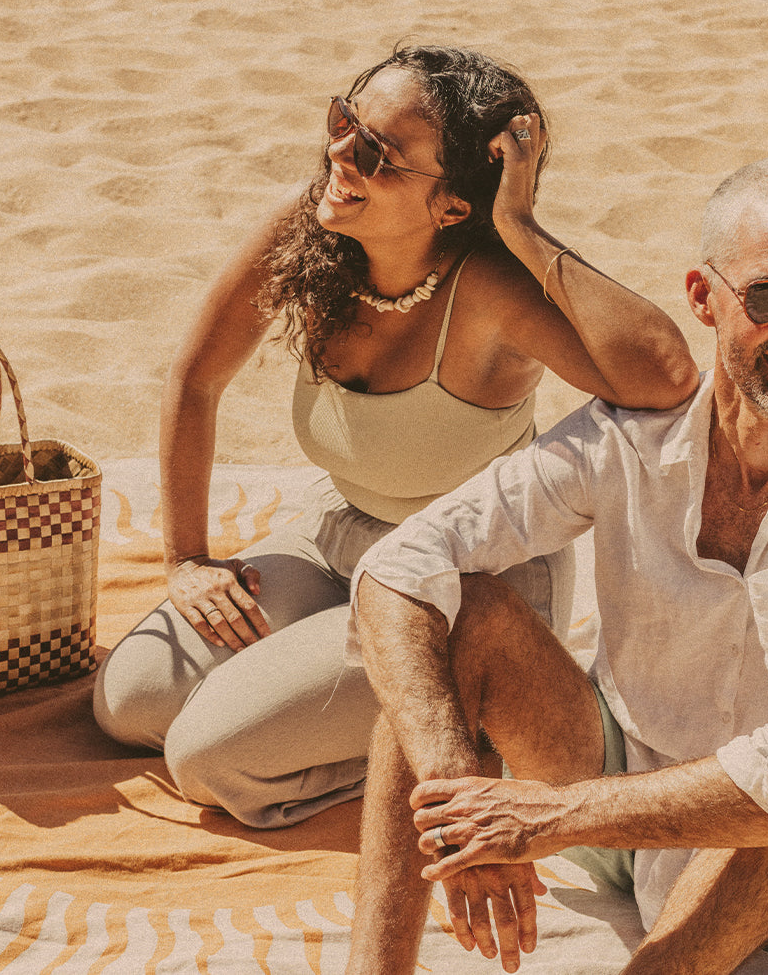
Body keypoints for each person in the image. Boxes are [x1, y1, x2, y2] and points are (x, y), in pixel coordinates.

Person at [345, 155, 768, 973]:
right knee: (451, 627)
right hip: (612, 770)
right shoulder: (628, 436)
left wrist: (550, 819)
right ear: (704, 297)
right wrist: (459, 799)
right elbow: (399, 565)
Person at [91, 45, 698, 828]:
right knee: (128, 701)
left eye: (377, 153)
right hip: (338, 536)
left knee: (207, 756)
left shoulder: (491, 295)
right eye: (344, 121)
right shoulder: (316, 228)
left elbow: (667, 376)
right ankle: (332, 698)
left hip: (463, 582)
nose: (341, 154)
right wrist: (185, 560)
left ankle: (471, 720)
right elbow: (197, 378)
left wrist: (519, 225)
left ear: (453, 207)